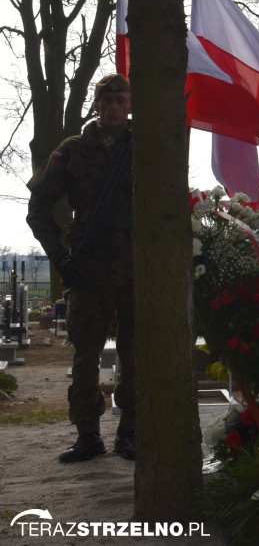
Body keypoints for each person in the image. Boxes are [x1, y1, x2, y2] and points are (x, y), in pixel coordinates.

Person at [26, 73, 136, 463]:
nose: (113, 108)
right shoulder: (73, 150)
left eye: (121, 101)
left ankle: (131, 432)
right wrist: (60, 257)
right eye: (106, 101)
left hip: (137, 264)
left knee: (136, 351)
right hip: (88, 265)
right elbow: (38, 208)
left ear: (129, 105)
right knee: (86, 354)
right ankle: (88, 435)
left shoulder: (145, 145)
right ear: (96, 105)